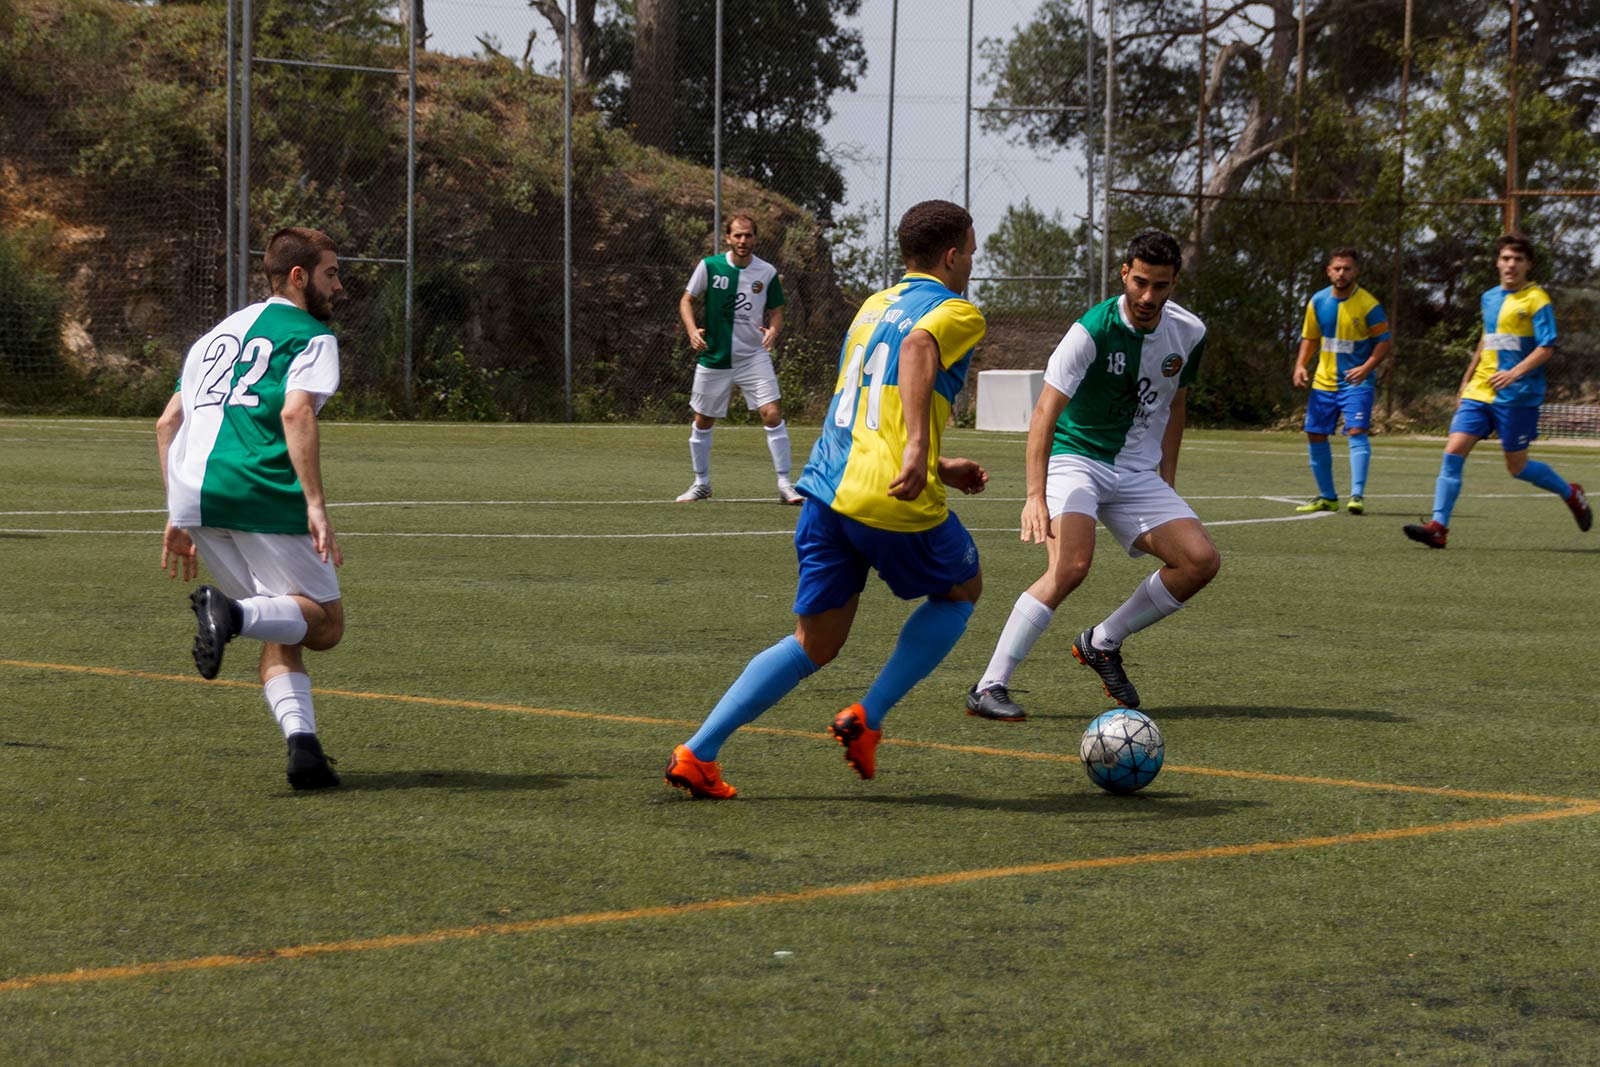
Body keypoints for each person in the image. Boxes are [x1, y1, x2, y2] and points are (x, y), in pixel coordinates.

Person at [664, 199, 989, 798]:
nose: (972, 260)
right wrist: (920, 450)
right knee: (962, 591)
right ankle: (868, 716)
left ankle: (698, 751)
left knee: (814, 643)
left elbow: (868, 408)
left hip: (825, 490)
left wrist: (937, 459)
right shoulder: (957, 310)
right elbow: (918, 352)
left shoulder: (871, 307)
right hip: (889, 496)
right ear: (951, 255)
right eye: (971, 249)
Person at [965, 231, 1220, 723]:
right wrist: (1035, 496)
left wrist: (1167, 479)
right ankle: (989, 684)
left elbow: (1177, 405)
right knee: (1071, 567)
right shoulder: (1090, 331)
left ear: (1174, 284)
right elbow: (1044, 412)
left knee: (1200, 561)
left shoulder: (1190, 333)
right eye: (1140, 282)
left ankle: (1103, 641)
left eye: (1160, 286)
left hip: (1137, 471)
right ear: (1124, 273)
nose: (1148, 297)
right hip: (1077, 459)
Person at [155, 225, 348, 790]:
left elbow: (168, 423)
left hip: (196, 492)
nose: (339, 286)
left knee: (282, 619)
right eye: (331, 273)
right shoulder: (311, 335)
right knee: (326, 623)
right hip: (259, 489)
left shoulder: (214, 336)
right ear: (298, 276)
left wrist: (176, 511)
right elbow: (295, 414)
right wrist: (315, 504)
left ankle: (304, 750)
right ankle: (230, 614)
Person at [1403, 234, 1591, 548]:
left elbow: (1547, 347)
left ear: (1528, 264)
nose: (1511, 265)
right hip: (1480, 391)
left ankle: (1570, 493)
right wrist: (1467, 377)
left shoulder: (1536, 299)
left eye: (1518, 259)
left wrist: (1514, 373)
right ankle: (1438, 527)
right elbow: (1487, 338)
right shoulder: (1489, 297)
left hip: (1517, 395)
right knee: (1452, 453)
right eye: (1505, 258)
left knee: (1517, 467)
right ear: (1497, 262)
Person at [675, 212, 801, 505]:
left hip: (753, 356)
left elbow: (777, 310)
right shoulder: (710, 266)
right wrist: (693, 331)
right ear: (728, 238)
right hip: (714, 357)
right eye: (738, 235)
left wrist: (773, 330)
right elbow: (686, 300)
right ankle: (701, 483)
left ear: (755, 238)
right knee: (703, 419)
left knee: (771, 413)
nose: (743, 240)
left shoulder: (766, 272)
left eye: (748, 235)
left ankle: (785, 483)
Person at [1290, 248, 1392, 515]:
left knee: (1356, 431)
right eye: (1337, 268)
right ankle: (1327, 497)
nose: (1342, 273)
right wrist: (1301, 365)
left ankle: (1356, 495)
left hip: (1355, 382)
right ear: (1328, 271)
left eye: (1347, 268)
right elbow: (1310, 337)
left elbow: (1384, 342)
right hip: (1324, 383)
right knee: (1315, 433)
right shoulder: (1318, 301)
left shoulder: (1368, 305)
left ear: (1355, 271)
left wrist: (1366, 368)